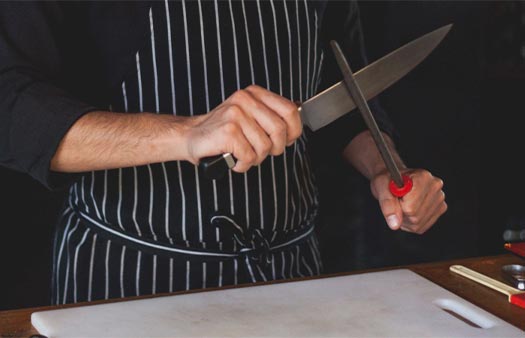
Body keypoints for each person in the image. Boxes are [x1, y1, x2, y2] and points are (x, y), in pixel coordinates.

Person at [0, 0, 446, 305]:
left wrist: (387, 169)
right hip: (131, 278)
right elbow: (11, 106)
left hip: (291, 277)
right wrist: (187, 133)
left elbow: (341, 92)